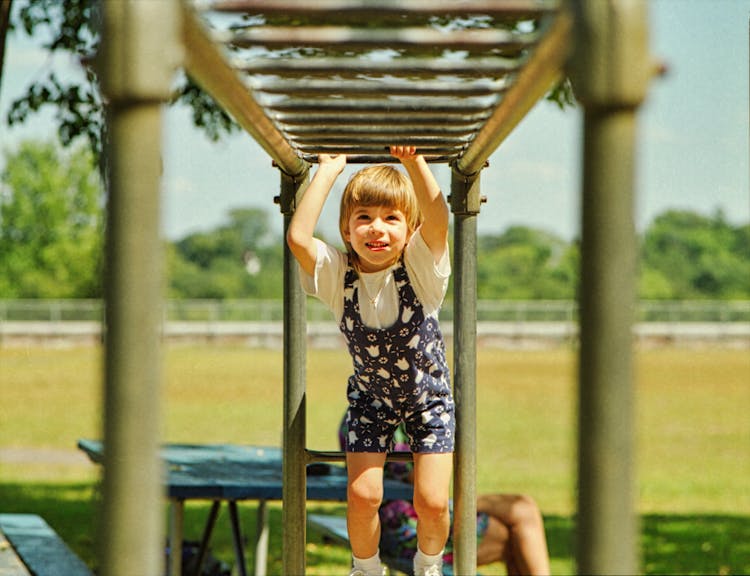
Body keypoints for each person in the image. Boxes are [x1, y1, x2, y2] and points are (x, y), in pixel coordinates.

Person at [287, 146, 454, 576]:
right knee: (363, 496)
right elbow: (299, 239)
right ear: (346, 228)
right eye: (363, 217)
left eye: (390, 218)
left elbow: (439, 218)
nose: (376, 228)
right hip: (371, 399)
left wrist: (415, 164)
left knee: (432, 502)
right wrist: (328, 171)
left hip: (427, 399)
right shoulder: (337, 274)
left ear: (409, 229)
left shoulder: (420, 267)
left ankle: (428, 564)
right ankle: (365, 569)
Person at [339, 417, 552, 576]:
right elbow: (421, 480)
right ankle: (468, 503)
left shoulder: (361, 414)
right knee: (520, 521)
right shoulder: (384, 417)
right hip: (407, 527)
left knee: (522, 513)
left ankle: (468, 503)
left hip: (415, 517)